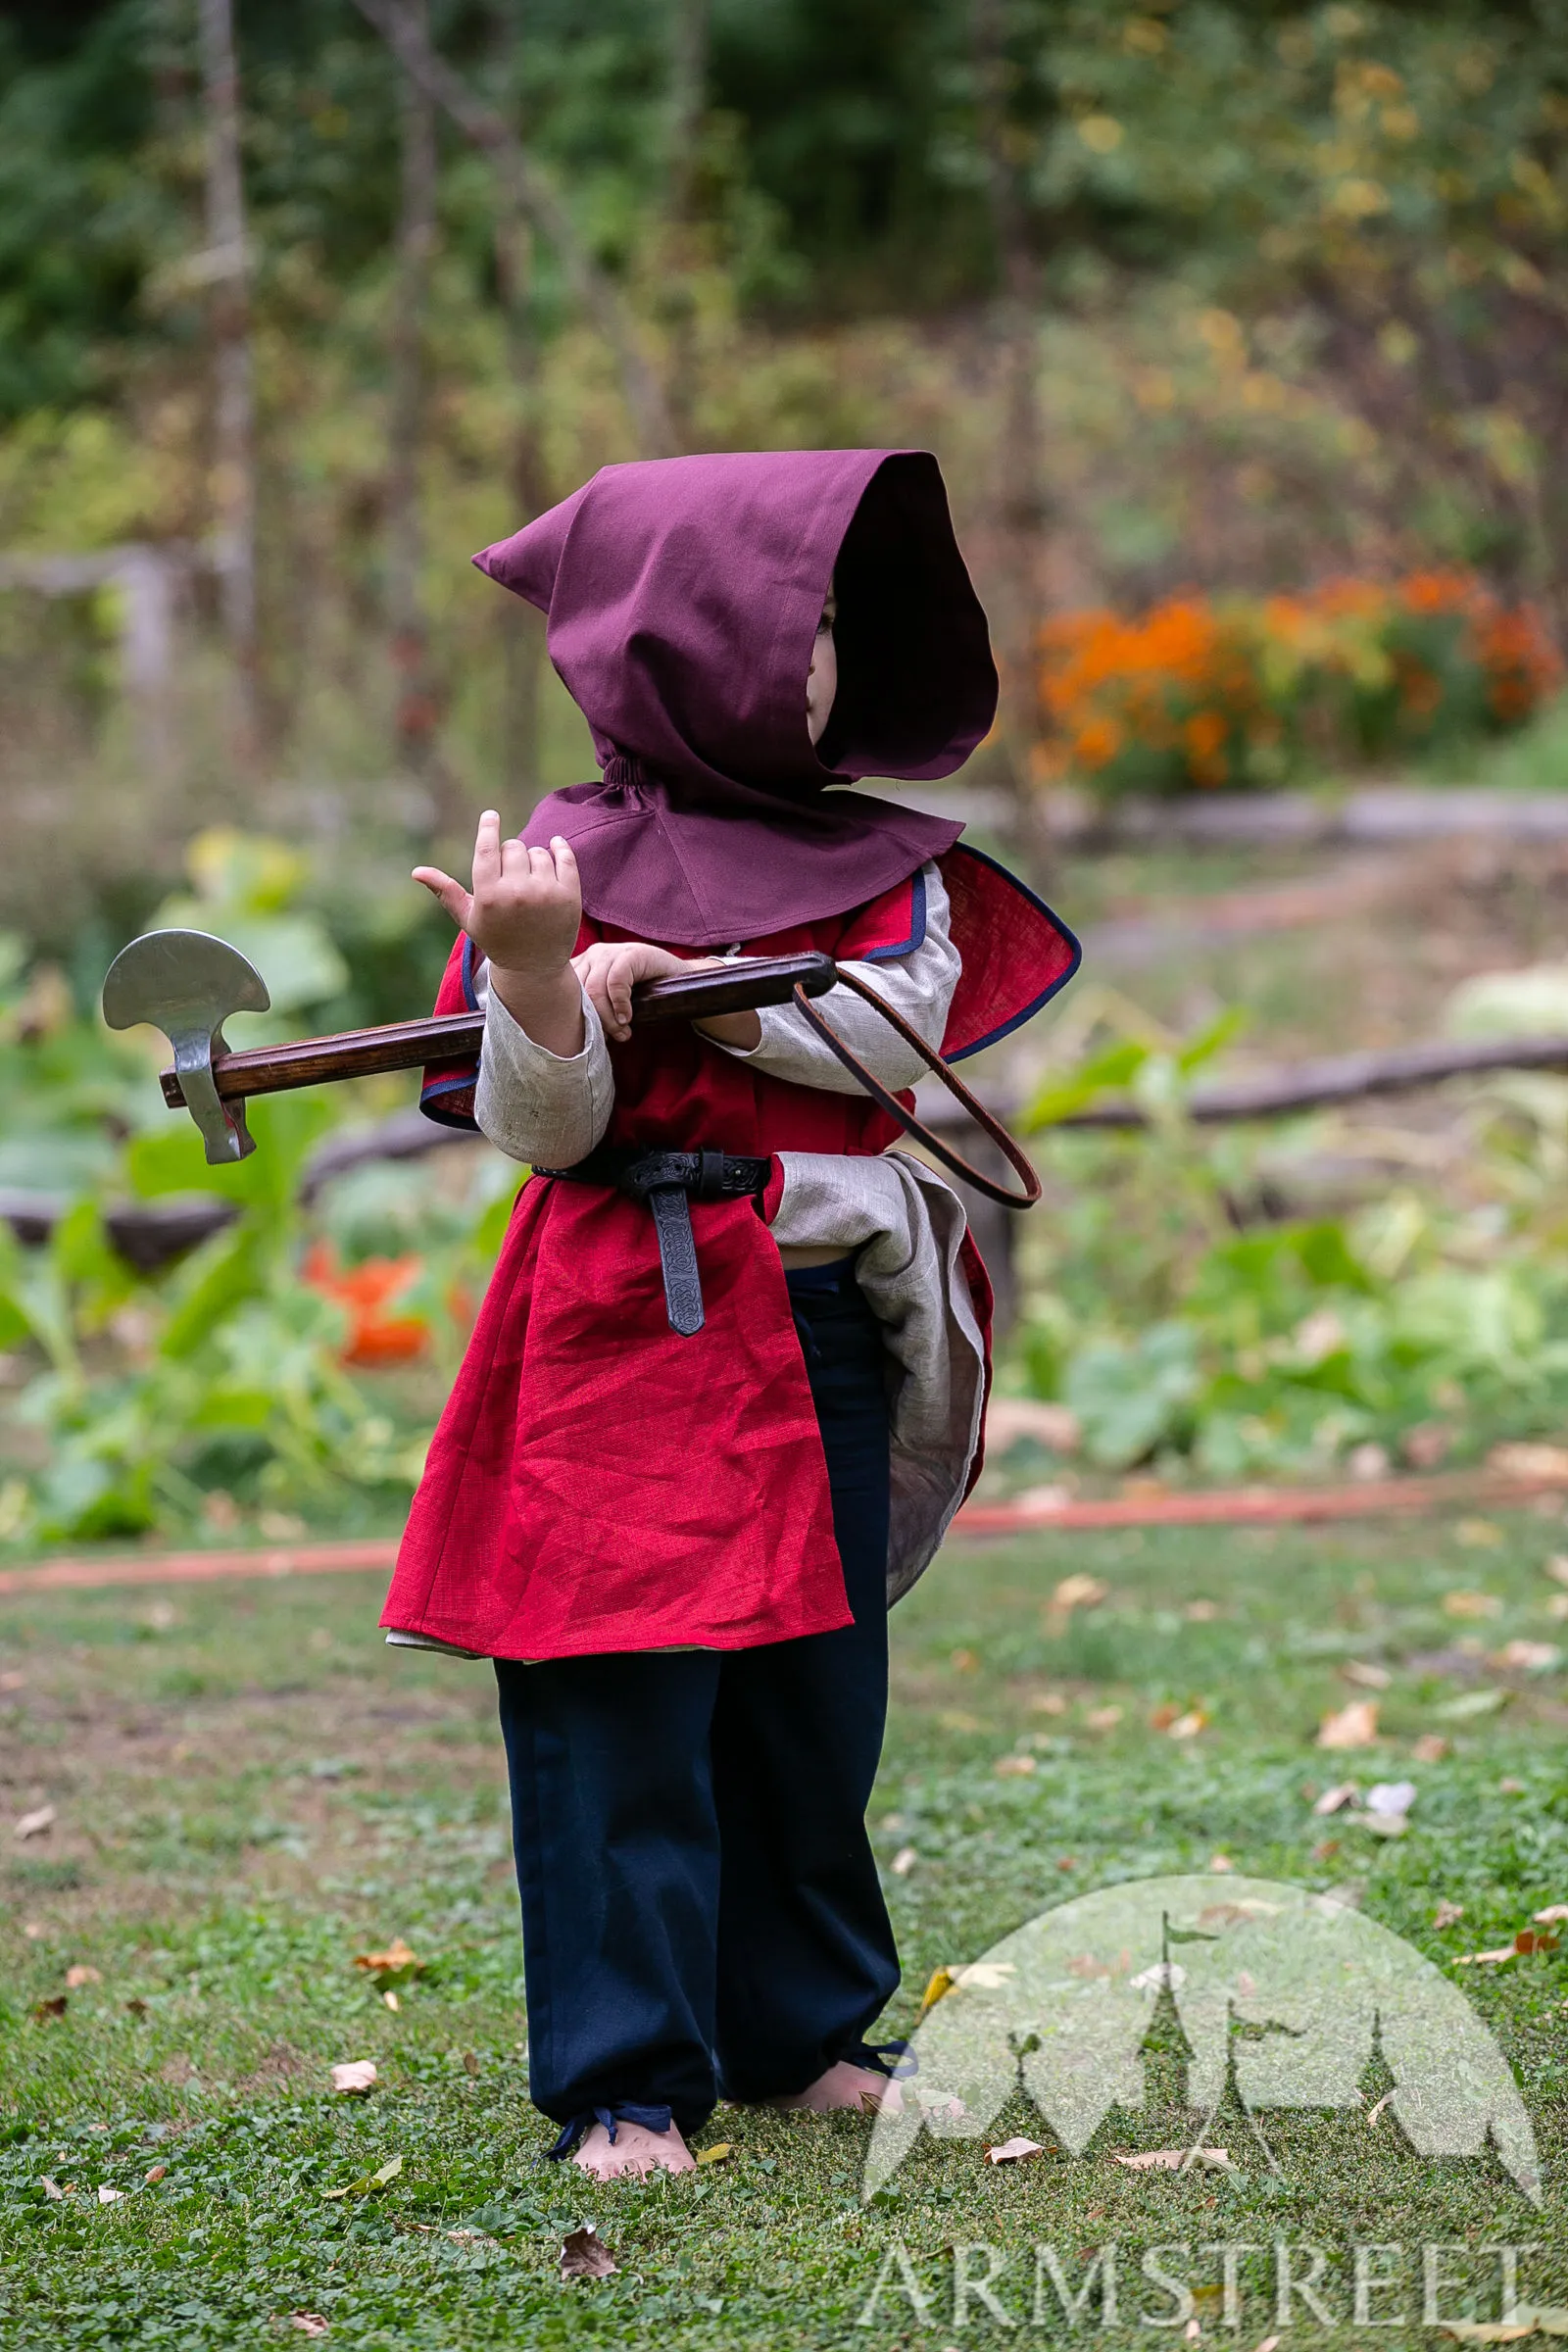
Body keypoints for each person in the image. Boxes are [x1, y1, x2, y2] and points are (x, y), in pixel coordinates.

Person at [379, 449, 1079, 2182]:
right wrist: (545, 982)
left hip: (827, 1319)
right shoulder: (553, 865)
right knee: (617, 1697)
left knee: (809, 1693)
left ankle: (802, 2032)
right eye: (800, 621)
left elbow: (887, 1035)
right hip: (621, 1333)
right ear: (685, 638)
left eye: (840, 626)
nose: (832, 656)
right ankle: (626, 2083)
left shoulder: (887, 867)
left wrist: (679, 991)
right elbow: (542, 1132)